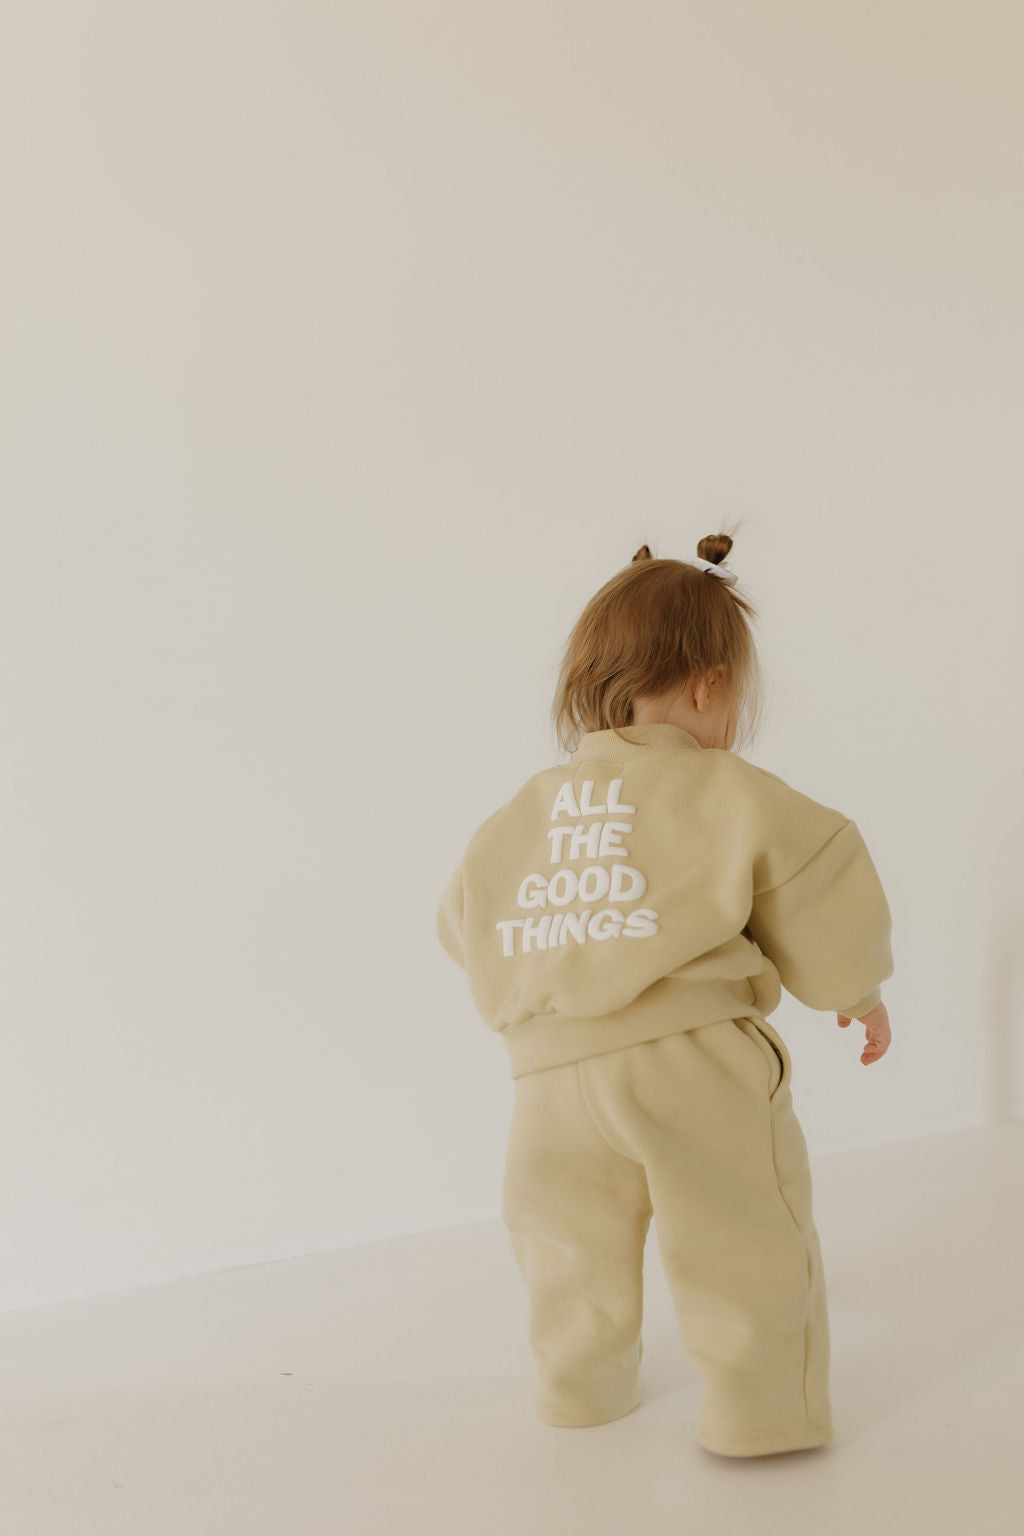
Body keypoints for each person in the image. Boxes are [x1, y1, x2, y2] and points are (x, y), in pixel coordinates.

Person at [435, 534, 894, 1458]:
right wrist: (855, 988)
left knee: (568, 1244)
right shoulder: (724, 789)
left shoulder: (531, 807)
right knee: (739, 1231)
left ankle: (580, 1391)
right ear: (706, 684)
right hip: (692, 1059)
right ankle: (762, 1415)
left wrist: (547, 982)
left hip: (550, 1077)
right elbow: (818, 871)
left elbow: (463, 915)